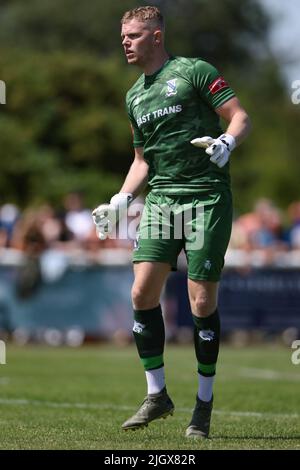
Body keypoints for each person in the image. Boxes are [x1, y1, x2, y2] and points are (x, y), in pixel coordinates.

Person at [92, 5, 251, 438]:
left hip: (206, 199)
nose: (125, 41)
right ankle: (156, 394)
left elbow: (240, 116)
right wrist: (121, 201)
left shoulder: (195, 71)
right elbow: (142, 160)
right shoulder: (134, 96)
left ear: (157, 36)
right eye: (123, 35)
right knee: (142, 292)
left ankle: (204, 402)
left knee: (201, 303)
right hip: (162, 201)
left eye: (134, 35)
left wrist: (226, 142)